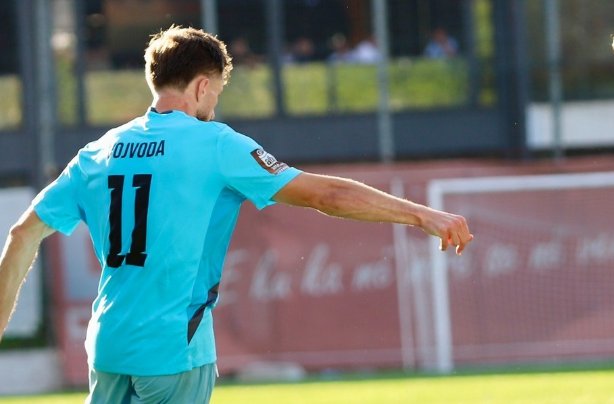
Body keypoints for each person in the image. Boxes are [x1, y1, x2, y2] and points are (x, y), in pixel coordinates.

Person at [0, 26, 473, 403]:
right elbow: (326, 195)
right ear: (203, 86)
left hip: (108, 347)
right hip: (173, 350)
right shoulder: (216, 143)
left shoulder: (97, 152)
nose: (215, 104)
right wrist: (420, 215)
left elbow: (22, 235)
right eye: (218, 93)